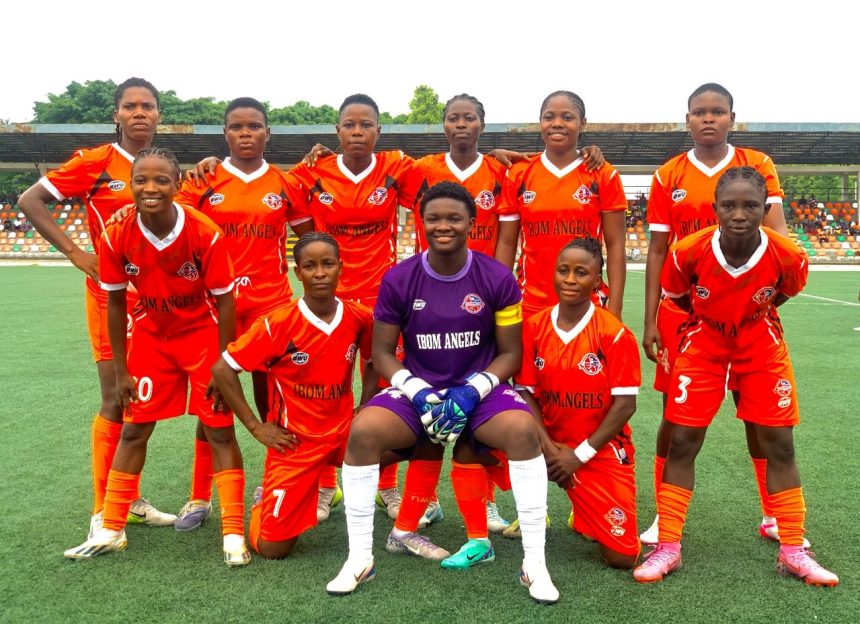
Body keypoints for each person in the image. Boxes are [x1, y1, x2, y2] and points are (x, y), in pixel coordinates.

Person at [326, 181, 558, 605]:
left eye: (454, 218)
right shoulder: (400, 277)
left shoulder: (496, 276)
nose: (443, 226)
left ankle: (535, 563)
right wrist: (416, 390)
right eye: (433, 218)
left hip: (480, 391)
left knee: (523, 431)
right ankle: (359, 558)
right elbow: (382, 352)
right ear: (421, 222)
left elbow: (511, 353)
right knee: (363, 432)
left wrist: (472, 390)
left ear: (472, 222)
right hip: (421, 391)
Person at [632, 166, 838, 586]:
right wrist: (716, 319)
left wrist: (747, 316)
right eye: (729, 205)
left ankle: (793, 549)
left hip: (760, 345)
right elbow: (678, 296)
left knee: (780, 443)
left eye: (750, 206)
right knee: (683, 440)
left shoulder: (788, 254)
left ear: (765, 209)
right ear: (715, 208)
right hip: (704, 344)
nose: (739, 215)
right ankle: (668, 546)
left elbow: (785, 290)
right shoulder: (688, 251)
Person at [63, 148, 250, 565]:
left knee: (220, 430)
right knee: (133, 430)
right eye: (141, 180)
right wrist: (122, 370)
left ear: (177, 185)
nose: (151, 188)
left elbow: (226, 302)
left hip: (200, 337)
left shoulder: (203, 232)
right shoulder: (116, 233)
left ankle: (234, 533)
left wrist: (223, 366)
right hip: (150, 338)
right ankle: (111, 528)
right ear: (130, 186)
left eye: (161, 180)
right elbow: (115, 303)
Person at [18, 78, 176, 542]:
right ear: (116, 115)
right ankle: (102, 510)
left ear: (159, 115)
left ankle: (129, 499)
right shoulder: (95, 162)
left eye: (148, 106)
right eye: (130, 106)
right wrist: (75, 253)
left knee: (143, 402)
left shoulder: (165, 167)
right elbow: (31, 200)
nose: (140, 113)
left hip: (160, 303)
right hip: (112, 299)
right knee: (114, 398)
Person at [639, 83, 790, 546]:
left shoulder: (757, 164)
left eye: (718, 111)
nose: (709, 118)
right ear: (687, 119)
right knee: (675, 415)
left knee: (759, 416)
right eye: (700, 112)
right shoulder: (669, 174)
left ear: (731, 118)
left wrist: (761, 301)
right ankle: (664, 516)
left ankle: (773, 513)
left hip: (746, 315)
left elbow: (779, 240)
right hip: (683, 313)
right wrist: (650, 318)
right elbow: (658, 250)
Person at [170, 97, 313, 532]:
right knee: (213, 401)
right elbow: (167, 221)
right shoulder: (203, 179)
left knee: (274, 404)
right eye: (236, 127)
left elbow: (311, 241)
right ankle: (200, 496)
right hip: (215, 310)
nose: (245, 133)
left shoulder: (286, 183)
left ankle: (271, 484)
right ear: (225, 134)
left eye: (254, 126)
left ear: (268, 132)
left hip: (272, 307)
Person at [211, 232, 376, 558]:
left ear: (341, 268)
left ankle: (408, 512)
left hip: (344, 434)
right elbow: (223, 369)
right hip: (296, 443)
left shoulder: (359, 316)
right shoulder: (277, 323)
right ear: (297, 272)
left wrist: (366, 405)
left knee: (409, 440)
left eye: (328, 264)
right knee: (272, 549)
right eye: (310, 266)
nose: (320, 273)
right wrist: (256, 427)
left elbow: (372, 362)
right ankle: (269, 502)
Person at [516, 237, 641, 569]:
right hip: (545, 444)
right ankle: (479, 528)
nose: (570, 279)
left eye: (581, 273)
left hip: (596, 449)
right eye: (563, 270)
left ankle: (585, 510)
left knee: (623, 557)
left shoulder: (614, 334)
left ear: (597, 280)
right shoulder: (533, 328)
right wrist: (549, 449)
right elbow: (525, 392)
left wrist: (577, 456)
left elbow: (625, 405)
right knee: (483, 434)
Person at [503, 90, 628, 320]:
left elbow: (616, 244)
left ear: (583, 123)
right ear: (540, 122)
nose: (557, 124)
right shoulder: (518, 173)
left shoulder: (603, 174)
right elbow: (507, 242)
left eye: (567, 117)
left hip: (588, 306)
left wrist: (615, 309)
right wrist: (499, 297)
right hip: (530, 305)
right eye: (549, 117)